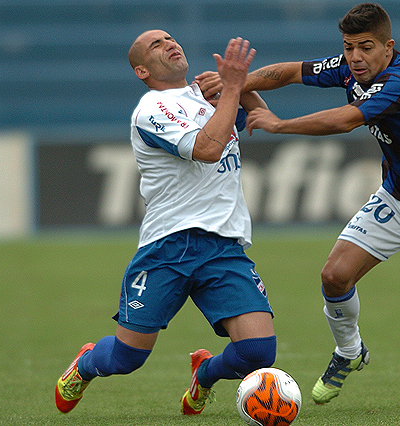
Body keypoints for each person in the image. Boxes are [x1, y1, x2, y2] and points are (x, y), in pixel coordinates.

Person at [197, 2, 400, 410]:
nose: (355, 57)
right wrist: (238, 84)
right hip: (399, 197)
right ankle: (350, 352)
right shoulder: (351, 67)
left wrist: (280, 124)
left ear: (388, 47)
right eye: (349, 46)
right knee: (334, 276)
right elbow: (290, 72)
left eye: (366, 47)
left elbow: (344, 120)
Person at [54, 30, 277, 416]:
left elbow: (263, 118)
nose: (169, 44)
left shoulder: (208, 95)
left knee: (258, 352)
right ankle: (87, 363)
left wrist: (239, 86)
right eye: (156, 44)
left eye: (170, 38)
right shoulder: (152, 109)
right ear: (142, 69)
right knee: (126, 359)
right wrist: (231, 89)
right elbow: (207, 150)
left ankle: (204, 374)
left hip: (223, 245)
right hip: (168, 247)